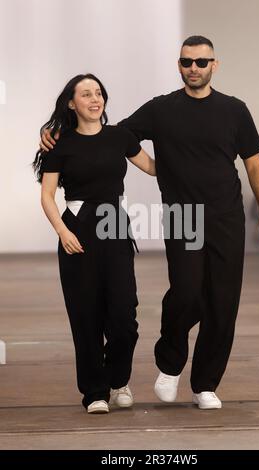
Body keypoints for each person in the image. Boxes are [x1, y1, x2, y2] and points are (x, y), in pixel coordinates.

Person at [40, 36, 259, 410]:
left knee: (222, 302)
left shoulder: (235, 110)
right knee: (186, 292)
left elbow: (253, 163)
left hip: (227, 216)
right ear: (179, 65)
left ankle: (205, 385)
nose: (193, 68)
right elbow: (110, 135)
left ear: (215, 65)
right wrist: (58, 133)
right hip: (183, 215)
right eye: (187, 62)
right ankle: (169, 363)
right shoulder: (160, 110)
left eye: (201, 62)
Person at [34, 74, 156, 414]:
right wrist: (62, 231)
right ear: (72, 103)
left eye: (99, 92)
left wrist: (188, 153)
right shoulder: (59, 143)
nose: (94, 98)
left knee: (123, 316)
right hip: (77, 230)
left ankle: (119, 381)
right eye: (86, 93)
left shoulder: (120, 136)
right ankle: (95, 392)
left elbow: (152, 168)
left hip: (115, 227)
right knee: (85, 316)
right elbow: (46, 195)